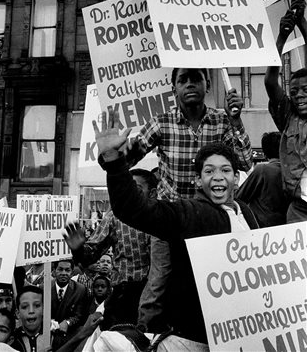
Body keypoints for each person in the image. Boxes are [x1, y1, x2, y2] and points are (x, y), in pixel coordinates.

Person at [65, 108, 259, 347]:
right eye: (209, 171)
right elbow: (132, 208)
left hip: (246, 331)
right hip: (200, 337)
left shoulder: (246, 213)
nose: (218, 177)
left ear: (236, 178)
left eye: (225, 170)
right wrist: (114, 161)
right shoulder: (190, 214)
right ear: (198, 180)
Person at [125, 67, 253, 332]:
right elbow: (131, 156)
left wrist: (237, 121)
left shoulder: (222, 120)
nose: (189, 84)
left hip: (210, 220)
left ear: (207, 85)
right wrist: (115, 152)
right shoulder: (161, 122)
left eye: (196, 78)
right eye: (183, 79)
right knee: (159, 283)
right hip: (171, 220)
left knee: (218, 284)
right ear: (174, 88)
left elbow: (245, 161)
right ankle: (145, 336)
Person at [65, 168, 156, 330]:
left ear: (152, 193)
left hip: (157, 296)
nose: (129, 193)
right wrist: (78, 248)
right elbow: (89, 256)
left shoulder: (165, 217)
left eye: (136, 188)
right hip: (125, 296)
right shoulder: (115, 215)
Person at [264, 0, 307, 223]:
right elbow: (270, 82)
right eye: (294, 92)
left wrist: (302, 23)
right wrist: (281, 37)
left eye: (306, 91)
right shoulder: (288, 118)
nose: (299, 96)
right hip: (299, 211)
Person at [237, 131, 289, 227]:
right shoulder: (291, 172)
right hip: (286, 226)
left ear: (265, 154)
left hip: (262, 227)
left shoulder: (263, 170)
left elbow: (239, 197)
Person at [51, 259, 90, 351]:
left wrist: (68, 322)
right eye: (60, 269)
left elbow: (79, 315)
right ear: (53, 271)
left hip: (70, 337)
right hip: (48, 337)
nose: (63, 273)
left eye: (67, 270)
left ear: (72, 273)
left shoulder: (80, 290)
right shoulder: (44, 287)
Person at [11, 286, 45, 352]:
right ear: (18, 313)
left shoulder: (54, 339)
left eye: (37, 305)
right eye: (25, 307)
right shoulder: (11, 340)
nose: (31, 311)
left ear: (44, 309)